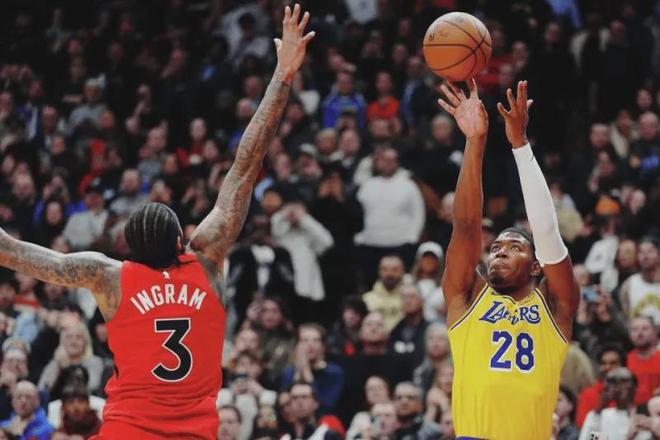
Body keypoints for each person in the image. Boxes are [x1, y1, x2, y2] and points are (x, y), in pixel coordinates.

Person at [0, 5, 315, 439]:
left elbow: (14, 252)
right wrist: (282, 76)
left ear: (129, 249)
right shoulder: (207, 261)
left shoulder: (109, 277)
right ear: (183, 239)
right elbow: (246, 164)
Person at [438, 79, 580, 439]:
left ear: (536, 266)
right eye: (497, 247)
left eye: (515, 247)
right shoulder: (468, 297)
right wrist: (475, 142)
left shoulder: (555, 306)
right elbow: (466, 227)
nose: (500, 250)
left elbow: (546, 232)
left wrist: (520, 145)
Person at [579, 367, 638, 440]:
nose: (619, 386)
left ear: (635, 386)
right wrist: (598, 412)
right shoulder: (603, 416)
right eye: (614, 382)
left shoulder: (643, 414)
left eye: (624, 381)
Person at [627, 316, 660, 404]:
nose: (640, 333)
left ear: (654, 332)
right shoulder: (624, 360)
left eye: (645, 329)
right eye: (635, 329)